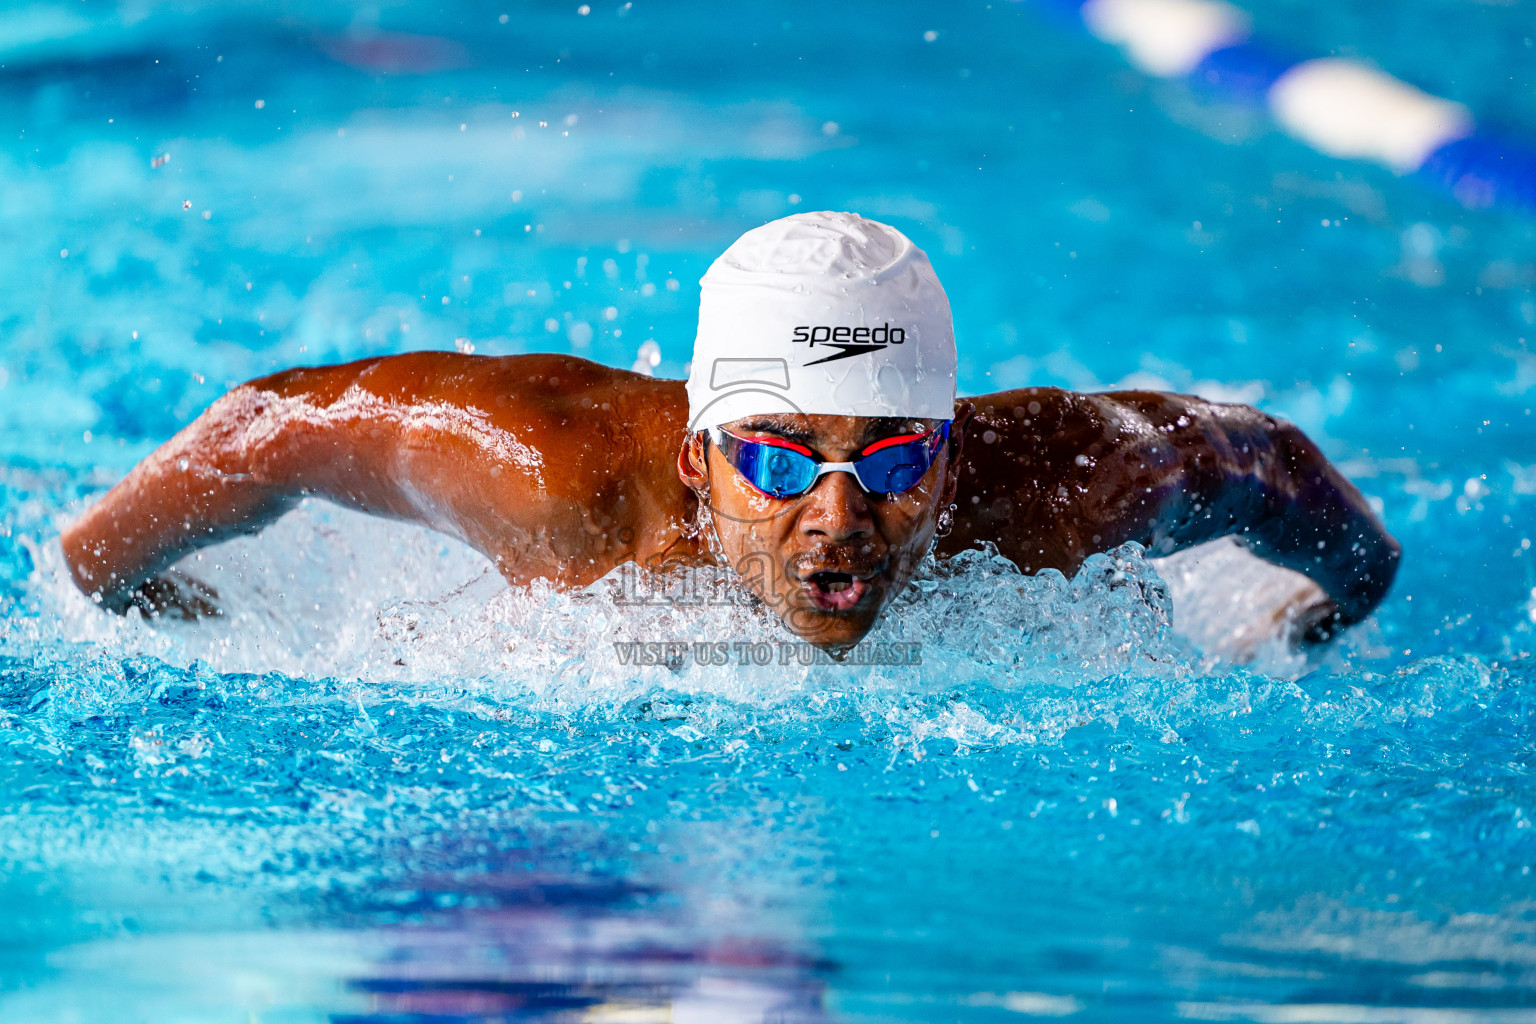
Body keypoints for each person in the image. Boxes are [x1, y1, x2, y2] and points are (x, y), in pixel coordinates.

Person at [60, 211, 1399, 653]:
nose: (835, 515)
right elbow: (270, 425)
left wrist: (1318, 619)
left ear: (951, 454)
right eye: (772, 457)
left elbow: (1266, 465)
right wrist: (103, 579)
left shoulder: (1058, 492)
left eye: (890, 457)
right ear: (698, 458)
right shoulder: (560, 483)